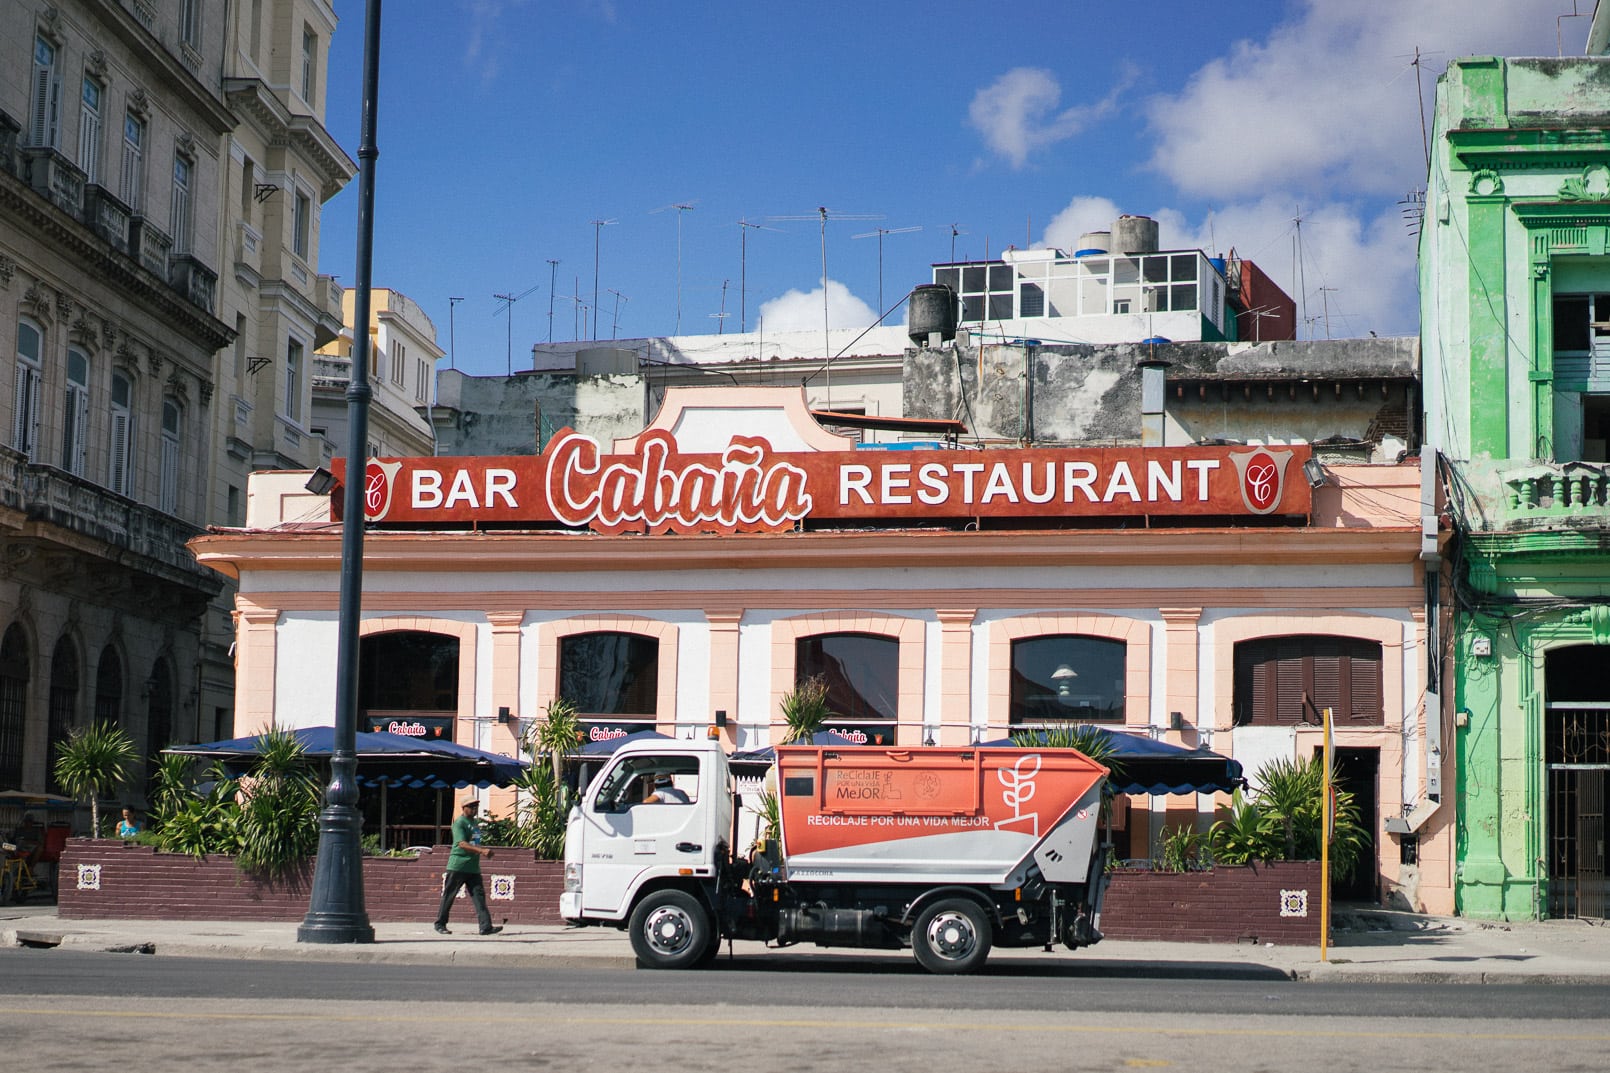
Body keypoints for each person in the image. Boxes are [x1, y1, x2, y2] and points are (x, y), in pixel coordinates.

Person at [433, 799, 502, 936]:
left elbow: (474, 841)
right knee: (449, 895)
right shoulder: (459, 823)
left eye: (476, 806)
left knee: (479, 896)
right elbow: (461, 844)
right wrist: (481, 851)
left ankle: (485, 926)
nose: (474, 809)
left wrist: (480, 850)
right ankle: (440, 924)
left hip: (473, 867)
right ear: (463, 807)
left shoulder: (475, 823)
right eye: (471, 806)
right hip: (458, 865)